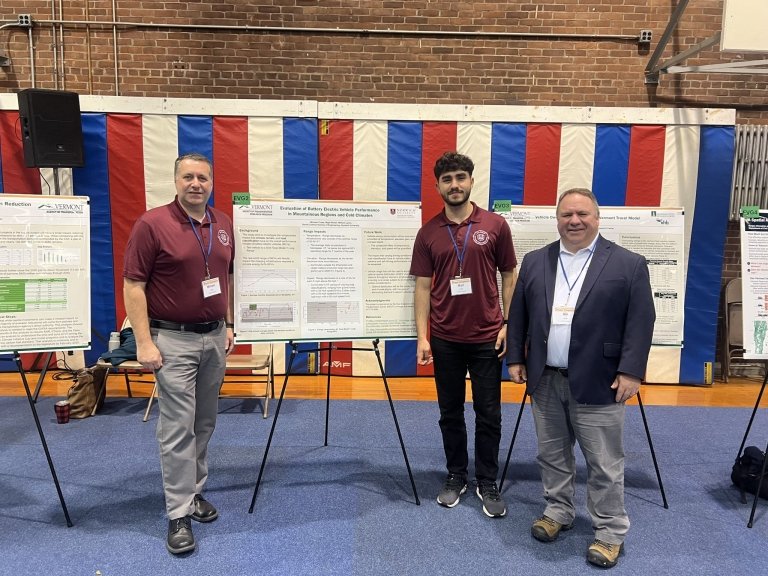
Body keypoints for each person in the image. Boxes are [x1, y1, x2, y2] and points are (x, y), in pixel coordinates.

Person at [506, 188, 655, 569]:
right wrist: (514, 360)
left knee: (604, 462)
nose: (574, 220)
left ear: (597, 218)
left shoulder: (628, 263)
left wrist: (632, 370)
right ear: (557, 219)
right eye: (567, 214)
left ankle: (609, 533)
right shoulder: (536, 260)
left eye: (583, 214)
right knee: (552, 455)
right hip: (545, 378)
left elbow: (641, 322)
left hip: (600, 380)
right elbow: (518, 315)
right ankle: (558, 511)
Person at [123, 152, 235, 555]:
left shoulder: (222, 224)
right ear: (175, 181)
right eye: (188, 177)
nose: (196, 184)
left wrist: (230, 323)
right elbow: (133, 285)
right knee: (176, 428)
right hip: (172, 341)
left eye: (203, 177)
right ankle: (177, 514)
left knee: (204, 423)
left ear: (211, 182)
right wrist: (144, 341)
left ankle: (194, 493)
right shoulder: (151, 224)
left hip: (214, 338)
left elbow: (225, 276)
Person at [410, 151, 517, 518]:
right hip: (445, 337)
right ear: (438, 185)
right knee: (449, 412)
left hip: (488, 336)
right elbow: (422, 287)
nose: (454, 185)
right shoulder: (428, 233)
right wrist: (423, 337)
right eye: (447, 179)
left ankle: (487, 480)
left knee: (489, 413)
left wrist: (508, 323)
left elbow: (509, 275)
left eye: (460, 177)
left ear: (471, 180)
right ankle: (456, 475)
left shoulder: (496, 225)